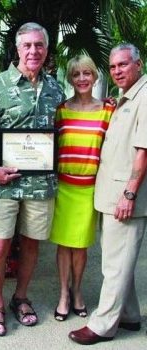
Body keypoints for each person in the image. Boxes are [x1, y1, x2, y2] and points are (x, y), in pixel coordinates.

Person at [0, 22, 64, 336]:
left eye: (39, 45)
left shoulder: (56, 89)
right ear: (17, 49)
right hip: (3, 182)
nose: (33, 51)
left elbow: (61, 135)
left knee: (31, 243)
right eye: (27, 45)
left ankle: (21, 297)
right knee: (0, 243)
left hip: (40, 185)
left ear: (46, 49)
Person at [69, 43, 147, 345]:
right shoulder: (127, 98)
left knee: (114, 264)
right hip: (111, 193)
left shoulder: (145, 97)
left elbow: (143, 151)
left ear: (138, 64)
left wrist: (129, 194)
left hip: (125, 197)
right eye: (113, 66)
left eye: (123, 65)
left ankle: (103, 325)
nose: (117, 71)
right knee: (119, 258)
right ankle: (128, 315)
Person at [49, 55, 113, 322]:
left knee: (81, 245)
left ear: (95, 77)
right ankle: (64, 294)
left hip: (90, 188)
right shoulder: (61, 110)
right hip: (65, 187)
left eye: (87, 73)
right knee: (64, 244)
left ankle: (77, 292)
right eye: (76, 74)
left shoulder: (108, 110)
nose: (82, 79)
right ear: (71, 79)